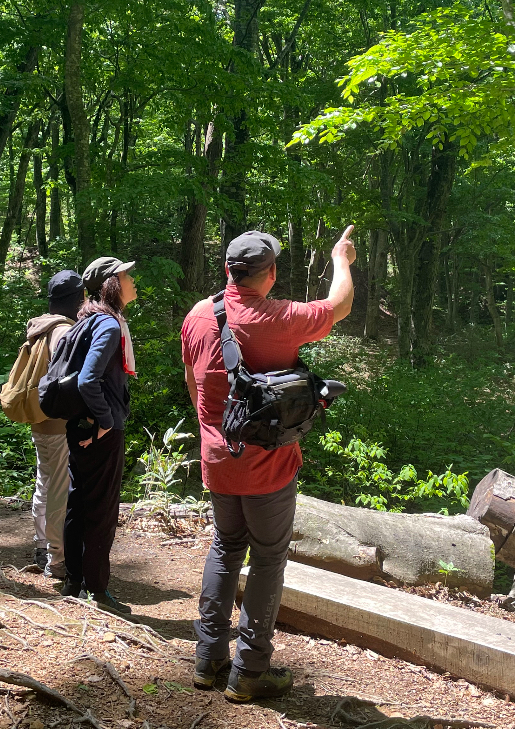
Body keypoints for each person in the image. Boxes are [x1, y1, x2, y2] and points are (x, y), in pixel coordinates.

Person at [181, 226, 356, 703]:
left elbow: (192, 385)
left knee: (225, 545)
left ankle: (208, 657)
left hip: (217, 459)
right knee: (268, 557)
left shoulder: (198, 316)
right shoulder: (276, 318)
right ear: (272, 274)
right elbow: (339, 304)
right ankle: (251, 669)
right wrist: (341, 258)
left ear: (227, 271)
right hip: (268, 466)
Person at [61, 255, 138, 617]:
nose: (132, 281)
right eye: (127, 276)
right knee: (102, 509)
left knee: (78, 501)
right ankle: (98, 589)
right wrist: (106, 420)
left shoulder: (84, 322)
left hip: (79, 424)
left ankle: (73, 581)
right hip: (99, 428)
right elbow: (87, 379)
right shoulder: (107, 325)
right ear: (112, 283)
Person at [25, 269, 85, 579]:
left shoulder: (39, 328)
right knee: (60, 490)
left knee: (45, 483)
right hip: (59, 422)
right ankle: (57, 559)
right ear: (77, 299)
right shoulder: (65, 332)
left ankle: (41, 545)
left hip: (39, 420)